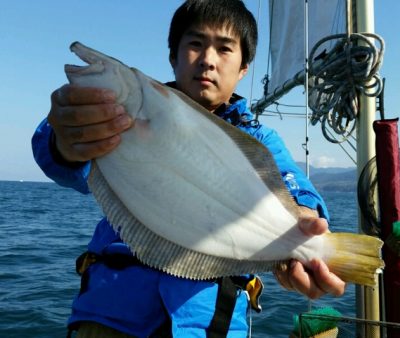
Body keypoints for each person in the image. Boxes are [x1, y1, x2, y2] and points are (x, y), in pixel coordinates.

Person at [32, 1, 345, 337]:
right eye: (195, 44)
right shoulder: (127, 119)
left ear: (243, 69)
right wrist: (67, 138)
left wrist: (305, 228)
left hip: (209, 326)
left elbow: (293, 185)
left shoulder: (259, 139)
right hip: (111, 316)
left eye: (224, 48)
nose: (208, 60)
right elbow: (65, 164)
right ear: (173, 56)